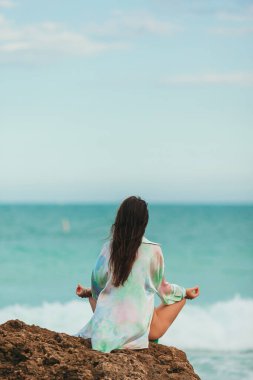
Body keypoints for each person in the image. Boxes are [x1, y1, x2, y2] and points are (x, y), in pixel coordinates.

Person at [75, 196, 199, 353]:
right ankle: (149, 336)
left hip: (106, 329)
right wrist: (185, 292)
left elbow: (97, 287)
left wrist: (87, 292)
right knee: (177, 298)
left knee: (94, 295)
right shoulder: (153, 250)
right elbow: (164, 291)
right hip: (137, 330)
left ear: (119, 220)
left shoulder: (108, 248)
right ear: (144, 223)